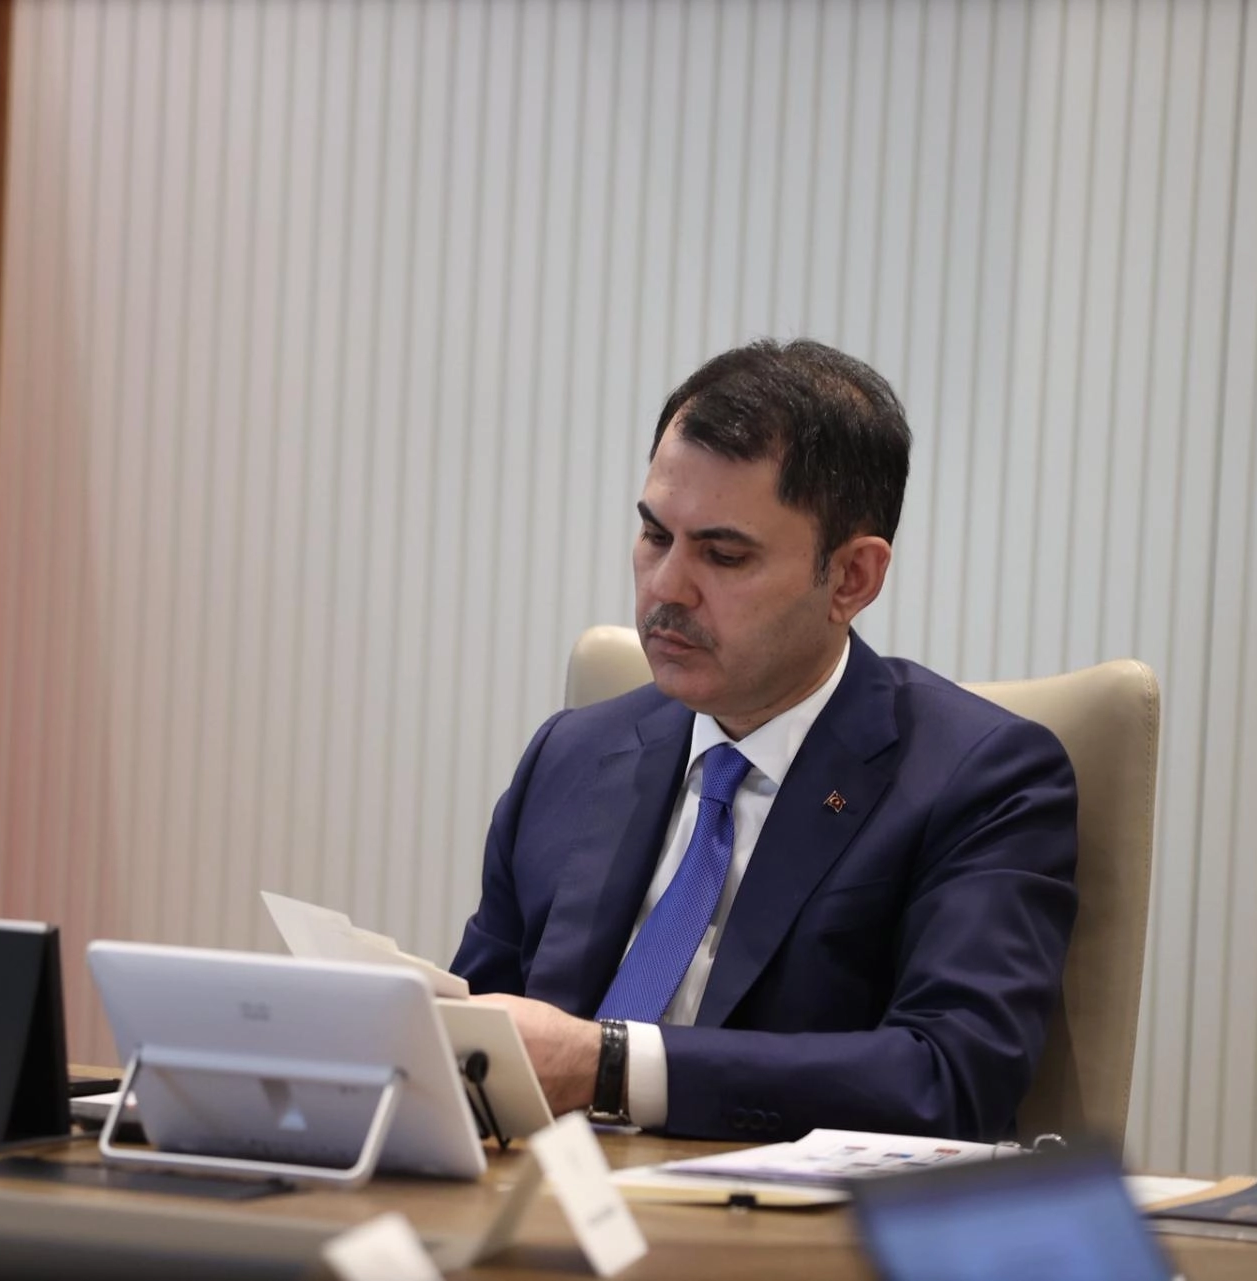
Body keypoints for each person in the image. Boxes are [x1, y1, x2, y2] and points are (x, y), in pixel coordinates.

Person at [451, 338, 1077, 1143]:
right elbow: (479, 1044)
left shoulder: (982, 778)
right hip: (543, 1206)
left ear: (851, 578)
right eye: (655, 536)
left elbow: (949, 1076)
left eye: (723, 554)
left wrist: (612, 1067)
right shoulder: (571, 754)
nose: (666, 587)